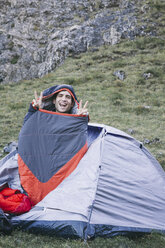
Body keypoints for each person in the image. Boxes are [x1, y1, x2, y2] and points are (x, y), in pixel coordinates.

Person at [23, 84, 88, 124]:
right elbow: (27, 127)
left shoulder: (75, 122)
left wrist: (81, 118)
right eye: (60, 96)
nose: (64, 99)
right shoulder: (44, 118)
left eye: (68, 97)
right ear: (54, 101)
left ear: (72, 104)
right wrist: (34, 110)